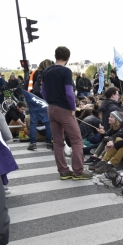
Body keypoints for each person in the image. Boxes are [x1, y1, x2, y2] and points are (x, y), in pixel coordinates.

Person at [41, 46, 92, 180]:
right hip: (64, 108)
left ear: (55, 55)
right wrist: (73, 108)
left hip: (51, 108)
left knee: (58, 142)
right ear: (68, 58)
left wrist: (50, 101)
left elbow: (43, 91)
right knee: (76, 140)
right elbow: (69, 92)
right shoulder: (66, 71)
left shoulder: (46, 71)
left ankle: (63, 171)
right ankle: (78, 172)